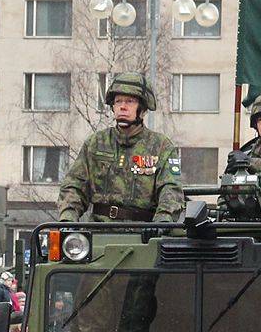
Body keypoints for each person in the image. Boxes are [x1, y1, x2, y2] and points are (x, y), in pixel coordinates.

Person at [58, 71, 184, 224]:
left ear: (143, 108)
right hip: (99, 231)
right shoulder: (95, 143)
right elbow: (74, 185)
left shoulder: (161, 146)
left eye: (130, 101)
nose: (122, 107)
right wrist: (67, 219)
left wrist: (162, 222)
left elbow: (171, 190)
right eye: (118, 101)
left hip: (142, 235)